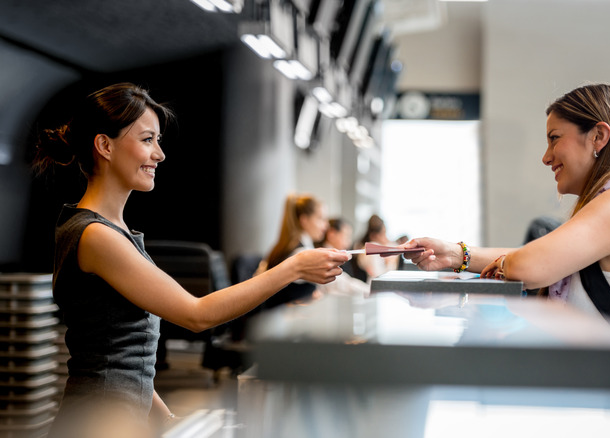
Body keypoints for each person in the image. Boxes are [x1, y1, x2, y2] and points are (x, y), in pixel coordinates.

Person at [31, 83, 349, 437]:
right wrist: (293, 267)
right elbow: (197, 315)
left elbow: (122, 358)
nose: (160, 154)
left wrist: (166, 419)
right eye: (148, 139)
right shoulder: (97, 236)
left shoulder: (112, 231)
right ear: (105, 145)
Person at [403, 83, 610, 397]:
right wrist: (455, 254)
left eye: (554, 138)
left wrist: (500, 266)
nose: (546, 157)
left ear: (599, 136)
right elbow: (540, 257)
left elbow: (532, 264)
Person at [254, 193, 331, 309]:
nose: (326, 225)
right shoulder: (300, 253)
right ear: (304, 220)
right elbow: (335, 282)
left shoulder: (291, 244)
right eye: (321, 218)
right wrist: (367, 290)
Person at [317, 218, 370, 297]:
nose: (349, 241)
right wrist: (370, 290)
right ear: (332, 234)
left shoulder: (341, 255)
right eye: (346, 236)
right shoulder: (323, 257)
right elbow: (343, 284)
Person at [351, 214, 400, 282]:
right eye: (383, 234)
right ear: (373, 236)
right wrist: (389, 262)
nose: (386, 238)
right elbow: (378, 275)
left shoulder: (363, 247)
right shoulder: (371, 249)